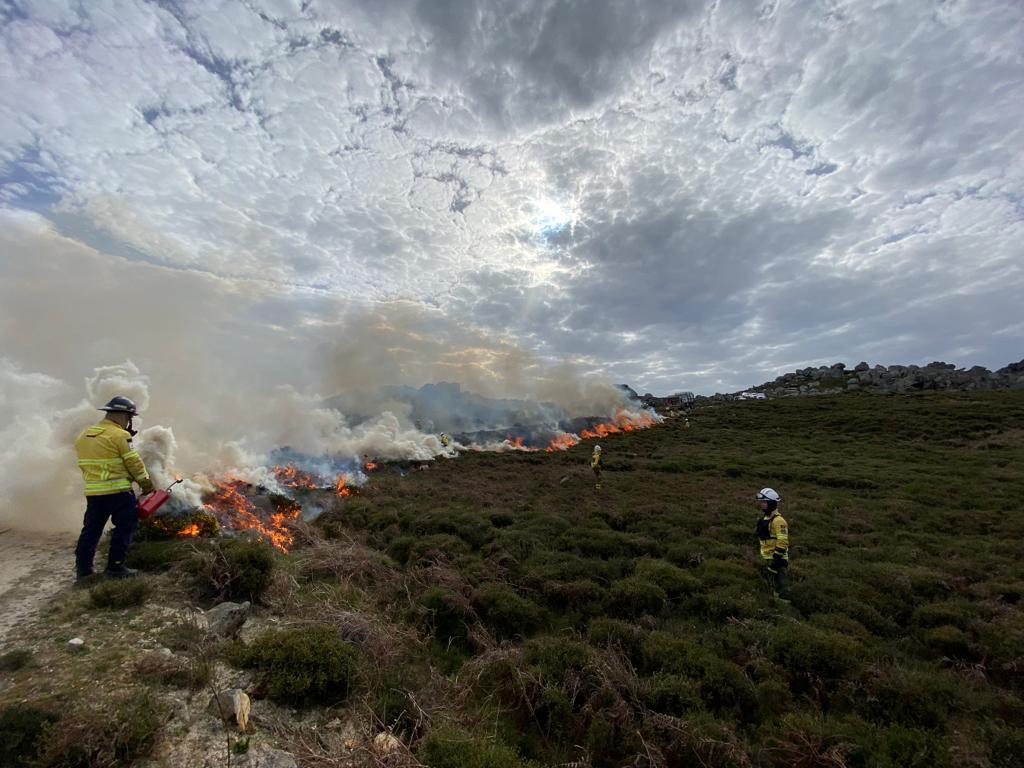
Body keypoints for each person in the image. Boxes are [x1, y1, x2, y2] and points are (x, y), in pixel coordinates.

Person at [73, 396, 155, 579]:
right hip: (119, 493)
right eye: (128, 418)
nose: (128, 422)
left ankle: (83, 571)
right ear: (122, 416)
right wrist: (147, 485)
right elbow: (135, 464)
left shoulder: (84, 435)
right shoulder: (120, 436)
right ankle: (115, 567)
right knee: (125, 528)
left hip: (94, 493)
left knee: (91, 530)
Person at [756, 487, 789, 600]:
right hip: (765, 558)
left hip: (777, 561)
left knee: (781, 590)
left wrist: (776, 559)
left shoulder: (779, 521)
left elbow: (783, 541)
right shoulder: (764, 519)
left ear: (771, 503)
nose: (761, 504)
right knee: (768, 588)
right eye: (761, 502)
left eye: (764, 502)